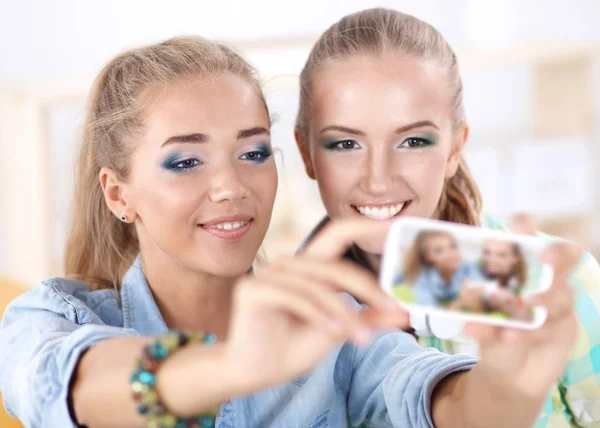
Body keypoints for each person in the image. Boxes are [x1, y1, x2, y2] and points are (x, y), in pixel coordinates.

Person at [0, 35, 575, 428]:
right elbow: (69, 387)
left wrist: (509, 388)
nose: (231, 186)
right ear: (118, 193)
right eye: (185, 162)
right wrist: (229, 368)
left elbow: (432, 396)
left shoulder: (331, 324)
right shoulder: (50, 318)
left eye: (252, 152)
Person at [294, 7, 600, 426]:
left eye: (413, 140)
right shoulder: (285, 324)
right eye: (346, 144)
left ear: (455, 148)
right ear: (305, 152)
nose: (378, 180)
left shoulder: (555, 287)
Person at [402, 230, 484, 309]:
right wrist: (460, 301)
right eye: (439, 251)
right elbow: (429, 309)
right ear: (428, 257)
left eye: (453, 246)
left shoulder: (468, 269)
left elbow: (482, 295)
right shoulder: (422, 278)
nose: (450, 254)